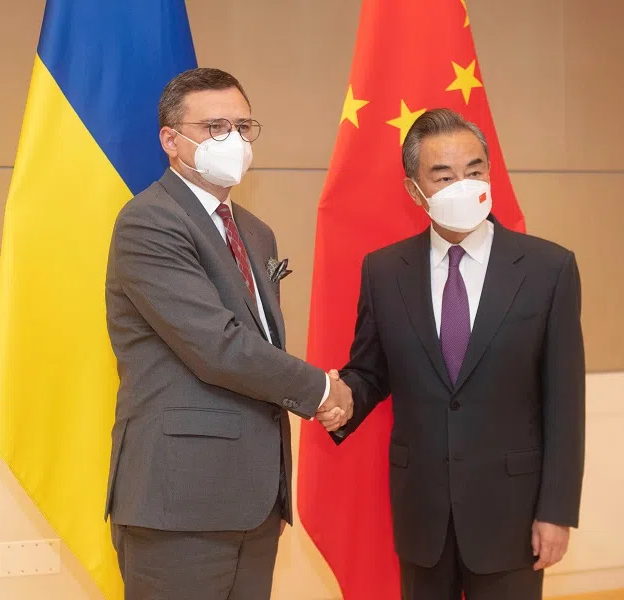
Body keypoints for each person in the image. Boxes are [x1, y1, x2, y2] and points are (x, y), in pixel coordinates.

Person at [104, 67, 352, 600]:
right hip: (180, 503)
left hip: (254, 499)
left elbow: (259, 347)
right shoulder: (149, 221)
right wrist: (322, 391)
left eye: (242, 126)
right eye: (215, 127)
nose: (233, 140)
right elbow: (218, 347)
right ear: (171, 140)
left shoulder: (256, 233)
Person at [316, 108, 585, 600]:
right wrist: (342, 398)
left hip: (513, 514)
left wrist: (557, 511)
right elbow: (369, 371)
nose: (463, 186)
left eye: (475, 171)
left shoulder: (548, 268)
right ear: (414, 190)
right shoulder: (384, 271)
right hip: (423, 515)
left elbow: (565, 403)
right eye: (443, 176)